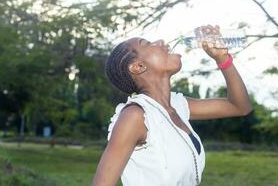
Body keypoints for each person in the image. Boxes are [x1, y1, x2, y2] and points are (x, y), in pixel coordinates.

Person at [92, 25, 253, 186]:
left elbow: (240, 107)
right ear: (138, 67)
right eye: (147, 44)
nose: (162, 42)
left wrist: (222, 59)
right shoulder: (136, 116)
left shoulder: (178, 106)